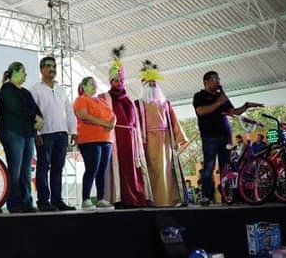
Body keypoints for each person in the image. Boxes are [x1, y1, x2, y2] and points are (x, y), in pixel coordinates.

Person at [193, 70, 262, 205]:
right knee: (209, 168)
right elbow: (201, 111)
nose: (218, 81)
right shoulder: (199, 96)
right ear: (206, 82)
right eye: (214, 79)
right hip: (209, 137)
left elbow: (233, 112)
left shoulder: (222, 96)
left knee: (227, 167)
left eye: (218, 79)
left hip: (225, 136)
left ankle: (228, 195)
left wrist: (246, 105)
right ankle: (207, 196)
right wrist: (219, 103)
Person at [136, 61, 188, 207]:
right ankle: (152, 200)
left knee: (166, 170)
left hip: (165, 142)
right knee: (151, 171)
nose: (152, 86)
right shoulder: (139, 104)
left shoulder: (166, 103)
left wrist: (179, 137)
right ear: (143, 85)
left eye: (154, 83)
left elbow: (173, 121)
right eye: (149, 83)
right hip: (147, 142)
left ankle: (168, 200)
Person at [30, 56, 77, 211]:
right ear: (41, 69)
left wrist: (73, 131)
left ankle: (57, 200)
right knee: (43, 167)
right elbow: (32, 113)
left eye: (54, 66)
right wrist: (35, 133)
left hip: (62, 134)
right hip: (45, 134)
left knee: (58, 168)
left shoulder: (61, 88)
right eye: (49, 66)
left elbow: (69, 111)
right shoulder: (35, 89)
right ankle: (43, 201)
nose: (52, 69)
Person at [106, 46, 150, 208]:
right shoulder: (106, 97)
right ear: (111, 81)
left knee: (133, 169)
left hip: (132, 140)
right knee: (120, 169)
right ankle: (121, 197)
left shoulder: (129, 99)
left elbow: (136, 122)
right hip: (116, 139)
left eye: (121, 80)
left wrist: (140, 139)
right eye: (115, 80)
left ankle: (136, 196)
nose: (119, 83)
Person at [0, 61, 43, 213]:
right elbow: (16, 108)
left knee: (26, 170)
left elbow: (35, 110)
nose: (25, 75)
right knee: (15, 170)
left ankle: (27, 201)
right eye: (23, 71)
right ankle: (14, 203)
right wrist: (34, 118)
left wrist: (38, 119)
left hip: (27, 134)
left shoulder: (26, 92)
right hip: (12, 132)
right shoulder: (7, 89)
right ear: (14, 72)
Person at [73, 76, 115, 209]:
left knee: (102, 170)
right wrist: (104, 123)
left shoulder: (102, 101)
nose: (94, 86)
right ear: (84, 86)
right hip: (89, 140)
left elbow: (113, 116)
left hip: (106, 139)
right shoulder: (81, 100)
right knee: (92, 168)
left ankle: (101, 198)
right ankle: (86, 199)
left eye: (95, 84)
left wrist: (112, 124)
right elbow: (83, 115)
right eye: (91, 84)